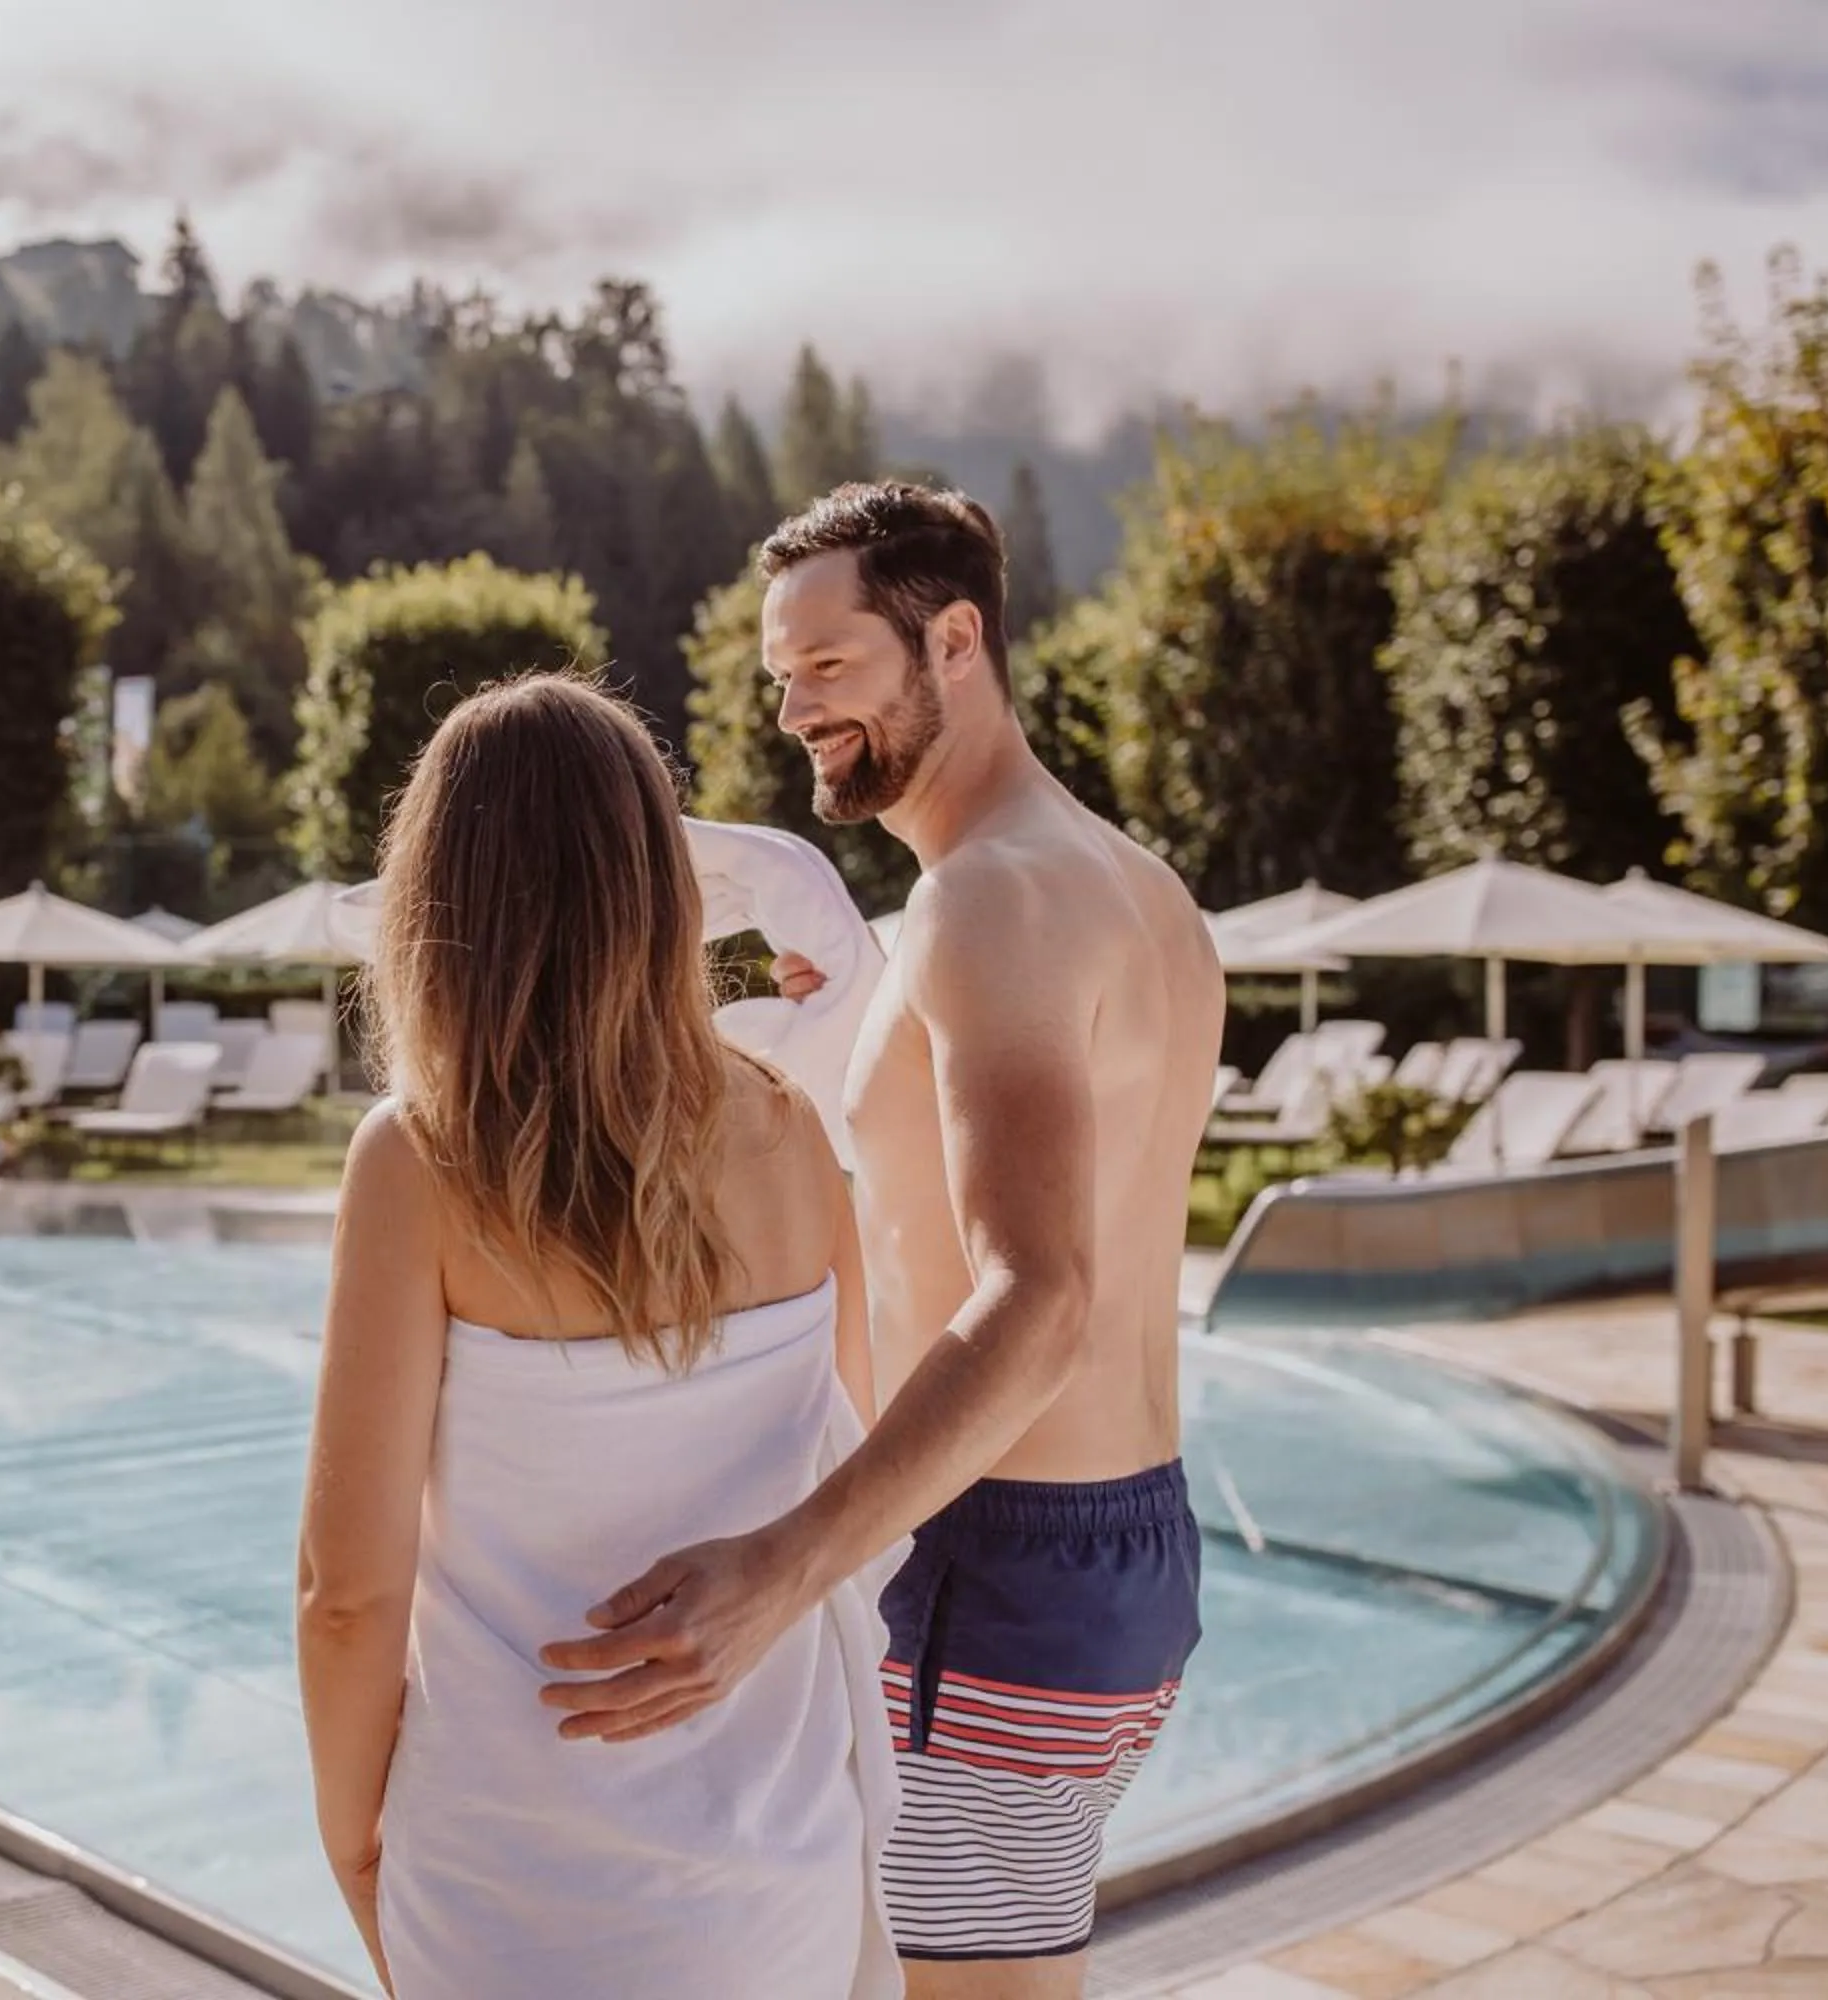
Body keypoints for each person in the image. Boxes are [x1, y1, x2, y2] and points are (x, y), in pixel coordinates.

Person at [539, 482, 1225, 1994]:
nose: (796, 710)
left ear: (955, 638)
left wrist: (785, 1568)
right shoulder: (1132, 887)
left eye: (832, 667)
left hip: (998, 1562)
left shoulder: (991, 906)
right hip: (1114, 1545)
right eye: (783, 677)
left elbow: (1040, 1300)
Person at [296, 674, 905, 2000]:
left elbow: (348, 1592)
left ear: (436, 903)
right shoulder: (796, 1133)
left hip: (515, 1875)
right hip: (777, 1871)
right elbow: (849, 1481)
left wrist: (351, 1846)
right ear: (658, 878)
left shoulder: (420, 1163)